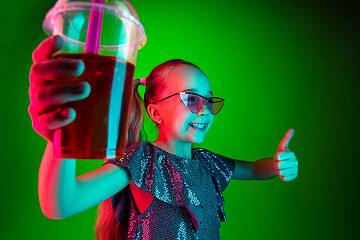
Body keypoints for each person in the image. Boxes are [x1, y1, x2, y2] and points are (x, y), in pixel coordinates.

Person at [28, 35, 299, 240]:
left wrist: (275, 166)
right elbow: (62, 203)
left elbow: (252, 169)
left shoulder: (208, 163)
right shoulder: (141, 160)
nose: (204, 110)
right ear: (155, 111)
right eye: (191, 98)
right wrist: (60, 135)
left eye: (208, 100)